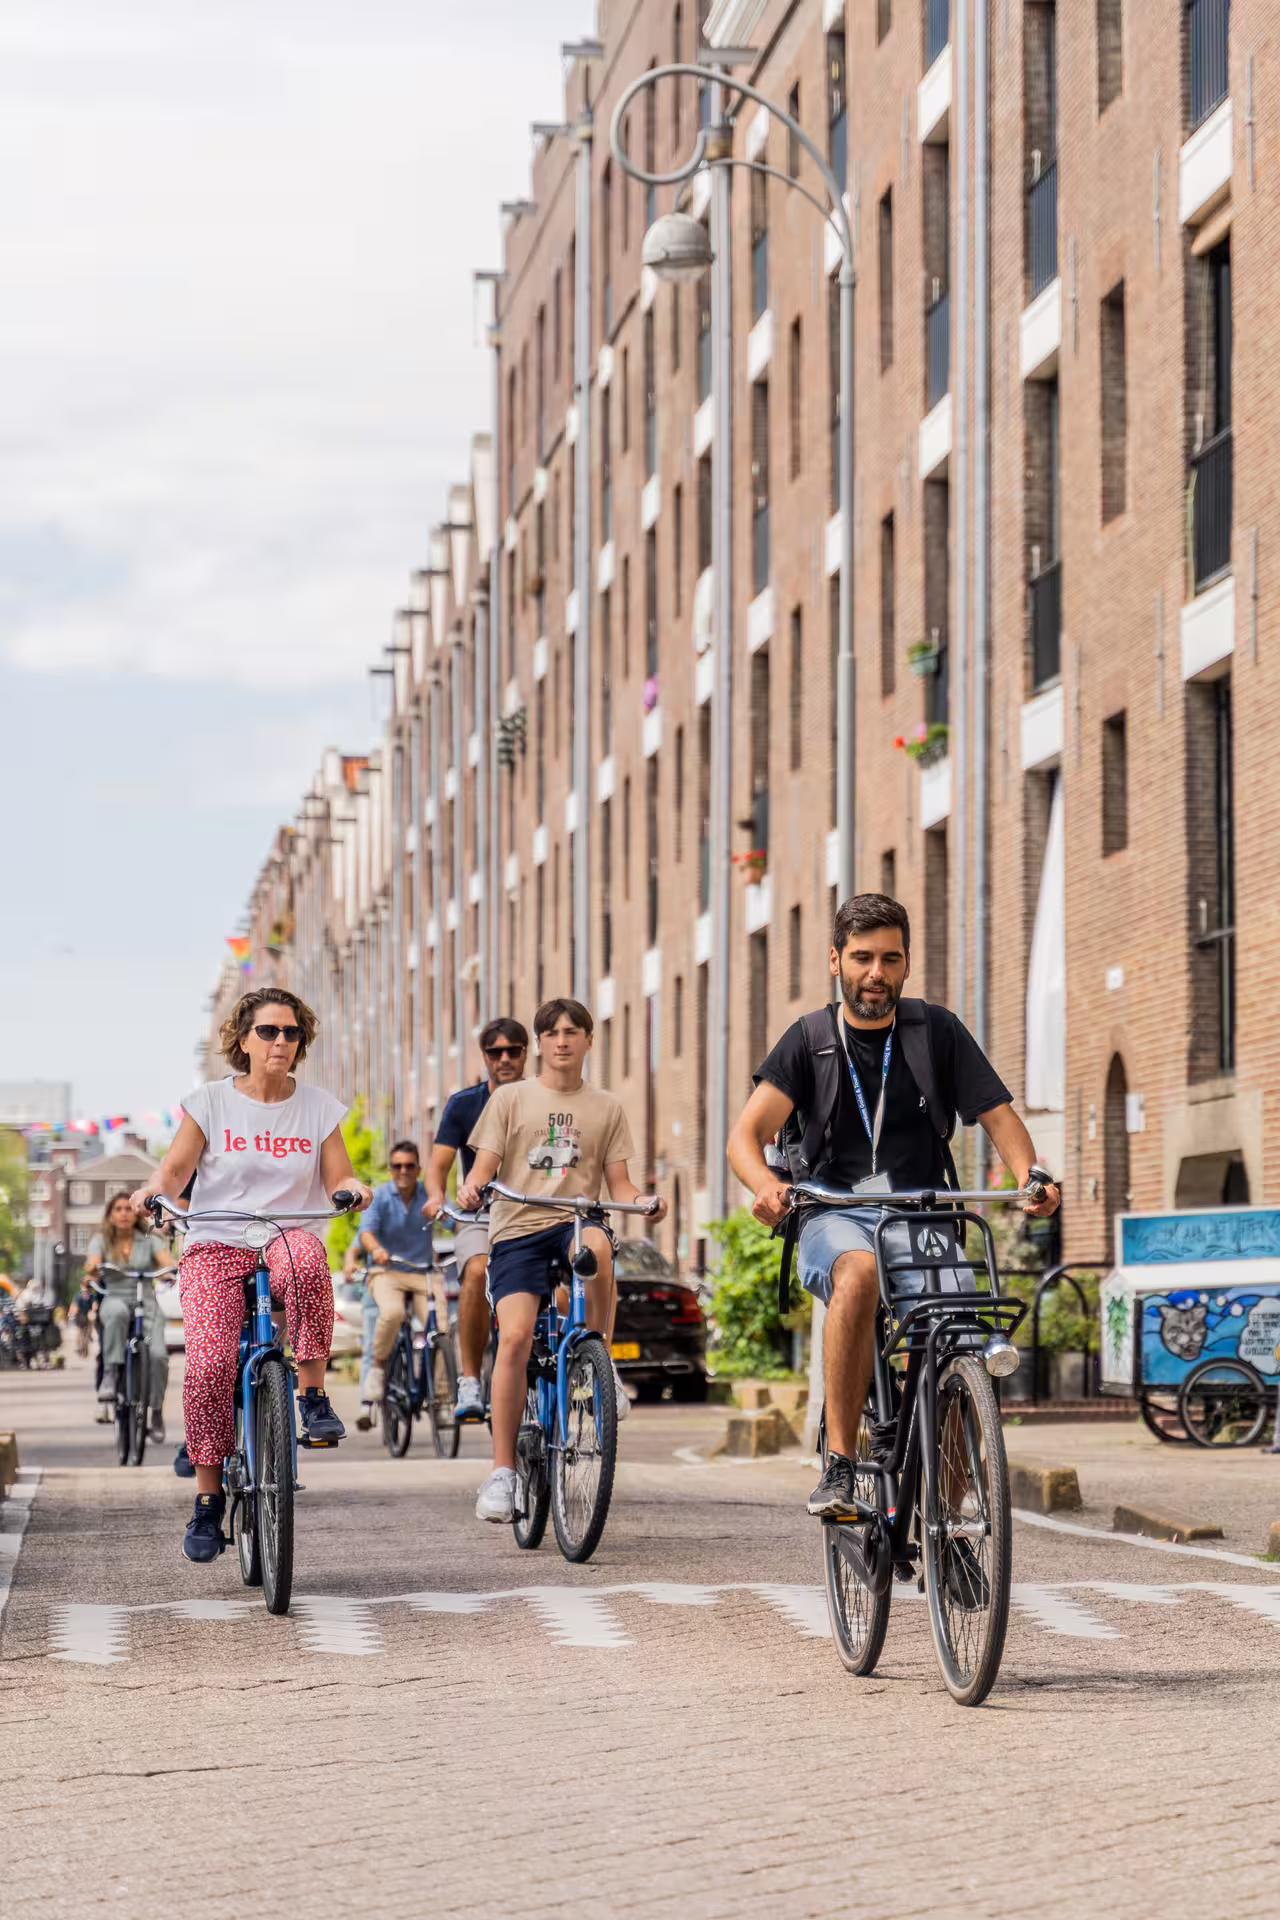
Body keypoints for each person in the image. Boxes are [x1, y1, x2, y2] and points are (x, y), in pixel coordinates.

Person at [727, 892, 1060, 1521]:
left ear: (905, 965)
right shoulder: (810, 1040)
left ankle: (954, 1517)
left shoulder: (935, 1031)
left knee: (961, 1339)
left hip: (922, 1213)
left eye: (889, 958)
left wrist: (1030, 1176)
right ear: (836, 961)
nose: (875, 973)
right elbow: (744, 1138)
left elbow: (997, 1117)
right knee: (858, 1274)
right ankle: (841, 1465)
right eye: (861, 958)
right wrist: (766, 1188)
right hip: (834, 1209)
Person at [133, 988, 371, 1564]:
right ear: (243, 1039)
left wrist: (353, 1190)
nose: (281, 1042)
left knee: (312, 1260)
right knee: (211, 1362)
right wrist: (154, 1194)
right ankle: (209, 1502)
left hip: (288, 1233)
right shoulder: (211, 1102)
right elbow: (173, 1172)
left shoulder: (318, 1107)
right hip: (217, 1240)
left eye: (291, 1033)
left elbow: (342, 1174)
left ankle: (311, 1397)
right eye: (268, 1031)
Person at [458, 997, 666, 1525]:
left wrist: (645, 1203)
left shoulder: (607, 1107)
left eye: (573, 1031)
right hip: (518, 1228)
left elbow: (621, 1185)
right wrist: (470, 1188)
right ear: (541, 1044)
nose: (562, 1040)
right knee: (515, 1337)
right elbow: (482, 1167)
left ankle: (601, 1367)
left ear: (589, 1041)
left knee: (598, 1245)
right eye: (551, 1033)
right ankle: (502, 1471)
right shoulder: (509, 1099)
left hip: (574, 1222)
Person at [426, 1016, 529, 1421]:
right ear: (485, 1056)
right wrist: (437, 1196)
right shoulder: (464, 1104)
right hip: (481, 1213)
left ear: (525, 1053)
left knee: (566, 1281)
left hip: (535, 1210)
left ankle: (576, 1366)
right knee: (475, 1270)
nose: (504, 1059)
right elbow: (439, 1166)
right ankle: (469, 1379)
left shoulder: (541, 1097)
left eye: (513, 1051)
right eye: (495, 1052)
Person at [84, 1192, 175, 1436]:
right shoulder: (102, 1240)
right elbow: (92, 1264)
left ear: (136, 1214)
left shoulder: (149, 1239)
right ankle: (111, 1376)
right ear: (111, 1215)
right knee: (114, 1314)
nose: (124, 1213)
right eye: (118, 1209)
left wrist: (170, 1270)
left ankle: (155, 1411)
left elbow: (166, 1261)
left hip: (146, 1299)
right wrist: (93, 1269)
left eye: (128, 1209)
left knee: (158, 1356)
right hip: (115, 1295)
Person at [357, 1140, 432, 1422]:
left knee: (439, 1328)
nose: (404, 1171)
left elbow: (452, 1221)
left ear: (419, 1169)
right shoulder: (379, 1197)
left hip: (422, 1272)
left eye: (410, 1166)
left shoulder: (429, 1195)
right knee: (392, 1313)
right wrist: (376, 1249)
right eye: (398, 1166)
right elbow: (365, 1233)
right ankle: (378, 1370)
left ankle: (443, 1397)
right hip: (386, 1272)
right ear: (391, 1170)